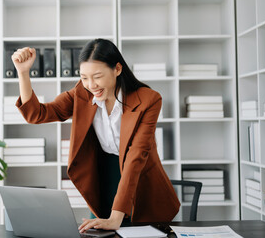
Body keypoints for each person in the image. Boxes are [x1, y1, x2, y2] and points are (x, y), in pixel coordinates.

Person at [11, 39, 180, 233]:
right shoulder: (81, 94)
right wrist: (23, 73)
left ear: (117, 69)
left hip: (140, 180)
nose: (91, 85)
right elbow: (37, 114)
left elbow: (136, 155)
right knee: (100, 233)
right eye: (84, 77)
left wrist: (116, 216)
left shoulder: (148, 99)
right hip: (103, 178)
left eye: (97, 76)